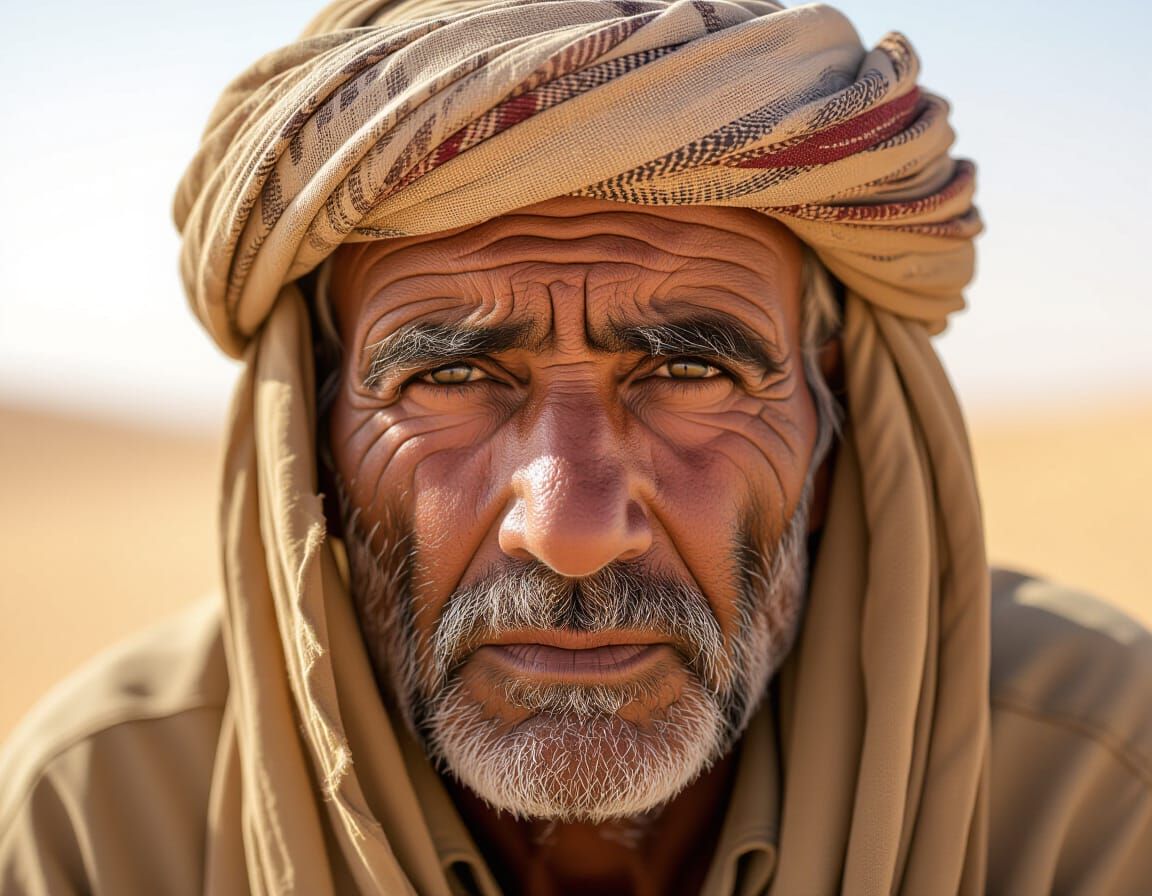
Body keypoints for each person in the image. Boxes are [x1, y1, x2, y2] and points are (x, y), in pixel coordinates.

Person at [2, 0, 1150, 893]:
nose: (573, 526)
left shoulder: (1100, 785)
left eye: (693, 370)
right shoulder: (100, 819)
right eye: (447, 375)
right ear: (311, 439)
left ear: (833, 411)